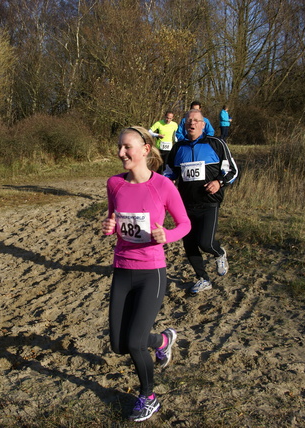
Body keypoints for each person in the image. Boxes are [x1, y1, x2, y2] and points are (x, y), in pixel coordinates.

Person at [101, 126, 191, 422]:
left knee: (136, 343)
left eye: (127, 147)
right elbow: (113, 217)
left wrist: (167, 235)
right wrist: (109, 226)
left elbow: (184, 225)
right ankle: (163, 341)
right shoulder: (114, 183)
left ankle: (148, 396)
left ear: (145, 150)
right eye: (119, 146)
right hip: (122, 269)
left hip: (151, 272)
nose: (121, 152)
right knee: (118, 344)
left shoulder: (163, 186)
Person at [164, 109, 238, 295]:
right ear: (184, 124)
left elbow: (233, 171)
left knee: (205, 243)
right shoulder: (177, 147)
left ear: (203, 125)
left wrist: (219, 182)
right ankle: (203, 279)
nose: (192, 123)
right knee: (189, 245)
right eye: (189, 121)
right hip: (185, 205)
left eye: (196, 120)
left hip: (209, 203)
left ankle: (219, 253)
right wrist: (169, 180)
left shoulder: (216, 144)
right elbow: (168, 172)